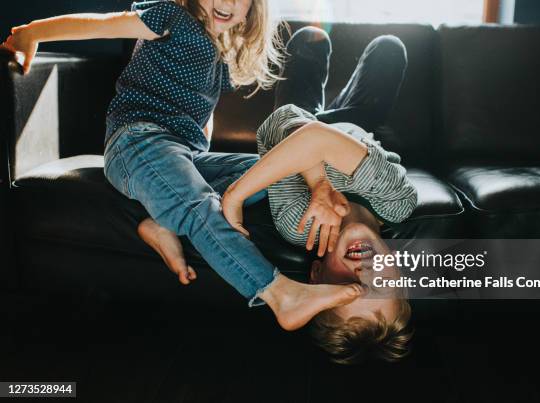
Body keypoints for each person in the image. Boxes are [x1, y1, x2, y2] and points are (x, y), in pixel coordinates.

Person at [0, 0, 365, 331]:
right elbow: (99, 24)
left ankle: (158, 221)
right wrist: (32, 34)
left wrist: (201, 156)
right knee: (198, 204)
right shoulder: (173, 16)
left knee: (273, 170)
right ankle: (277, 293)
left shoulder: (220, 54)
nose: (226, 3)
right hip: (137, 143)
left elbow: (205, 117)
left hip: (185, 153)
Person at [143, 27, 419, 364]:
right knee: (389, 47)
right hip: (359, 126)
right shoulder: (396, 201)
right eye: (378, 286)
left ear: (317, 275)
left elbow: (281, 122)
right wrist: (236, 195)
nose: (362, 272)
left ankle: (322, 109)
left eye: (345, 288)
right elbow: (311, 139)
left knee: (307, 40)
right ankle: (334, 116)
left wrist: (314, 153)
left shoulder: (297, 223)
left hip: (304, 123)